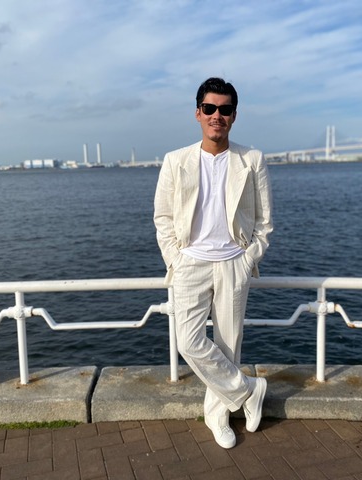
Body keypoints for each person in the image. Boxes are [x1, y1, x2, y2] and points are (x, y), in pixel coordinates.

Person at [153, 77, 273, 448]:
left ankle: (218, 416)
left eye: (224, 109)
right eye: (209, 108)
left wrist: (249, 257)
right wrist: (176, 258)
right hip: (190, 263)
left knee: (228, 346)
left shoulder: (251, 160)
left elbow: (265, 222)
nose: (216, 115)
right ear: (198, 113)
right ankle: (249, 390)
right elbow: (163, 218)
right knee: (188, 342)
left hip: (234, 262)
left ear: (234, 115)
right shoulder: (176, 161)